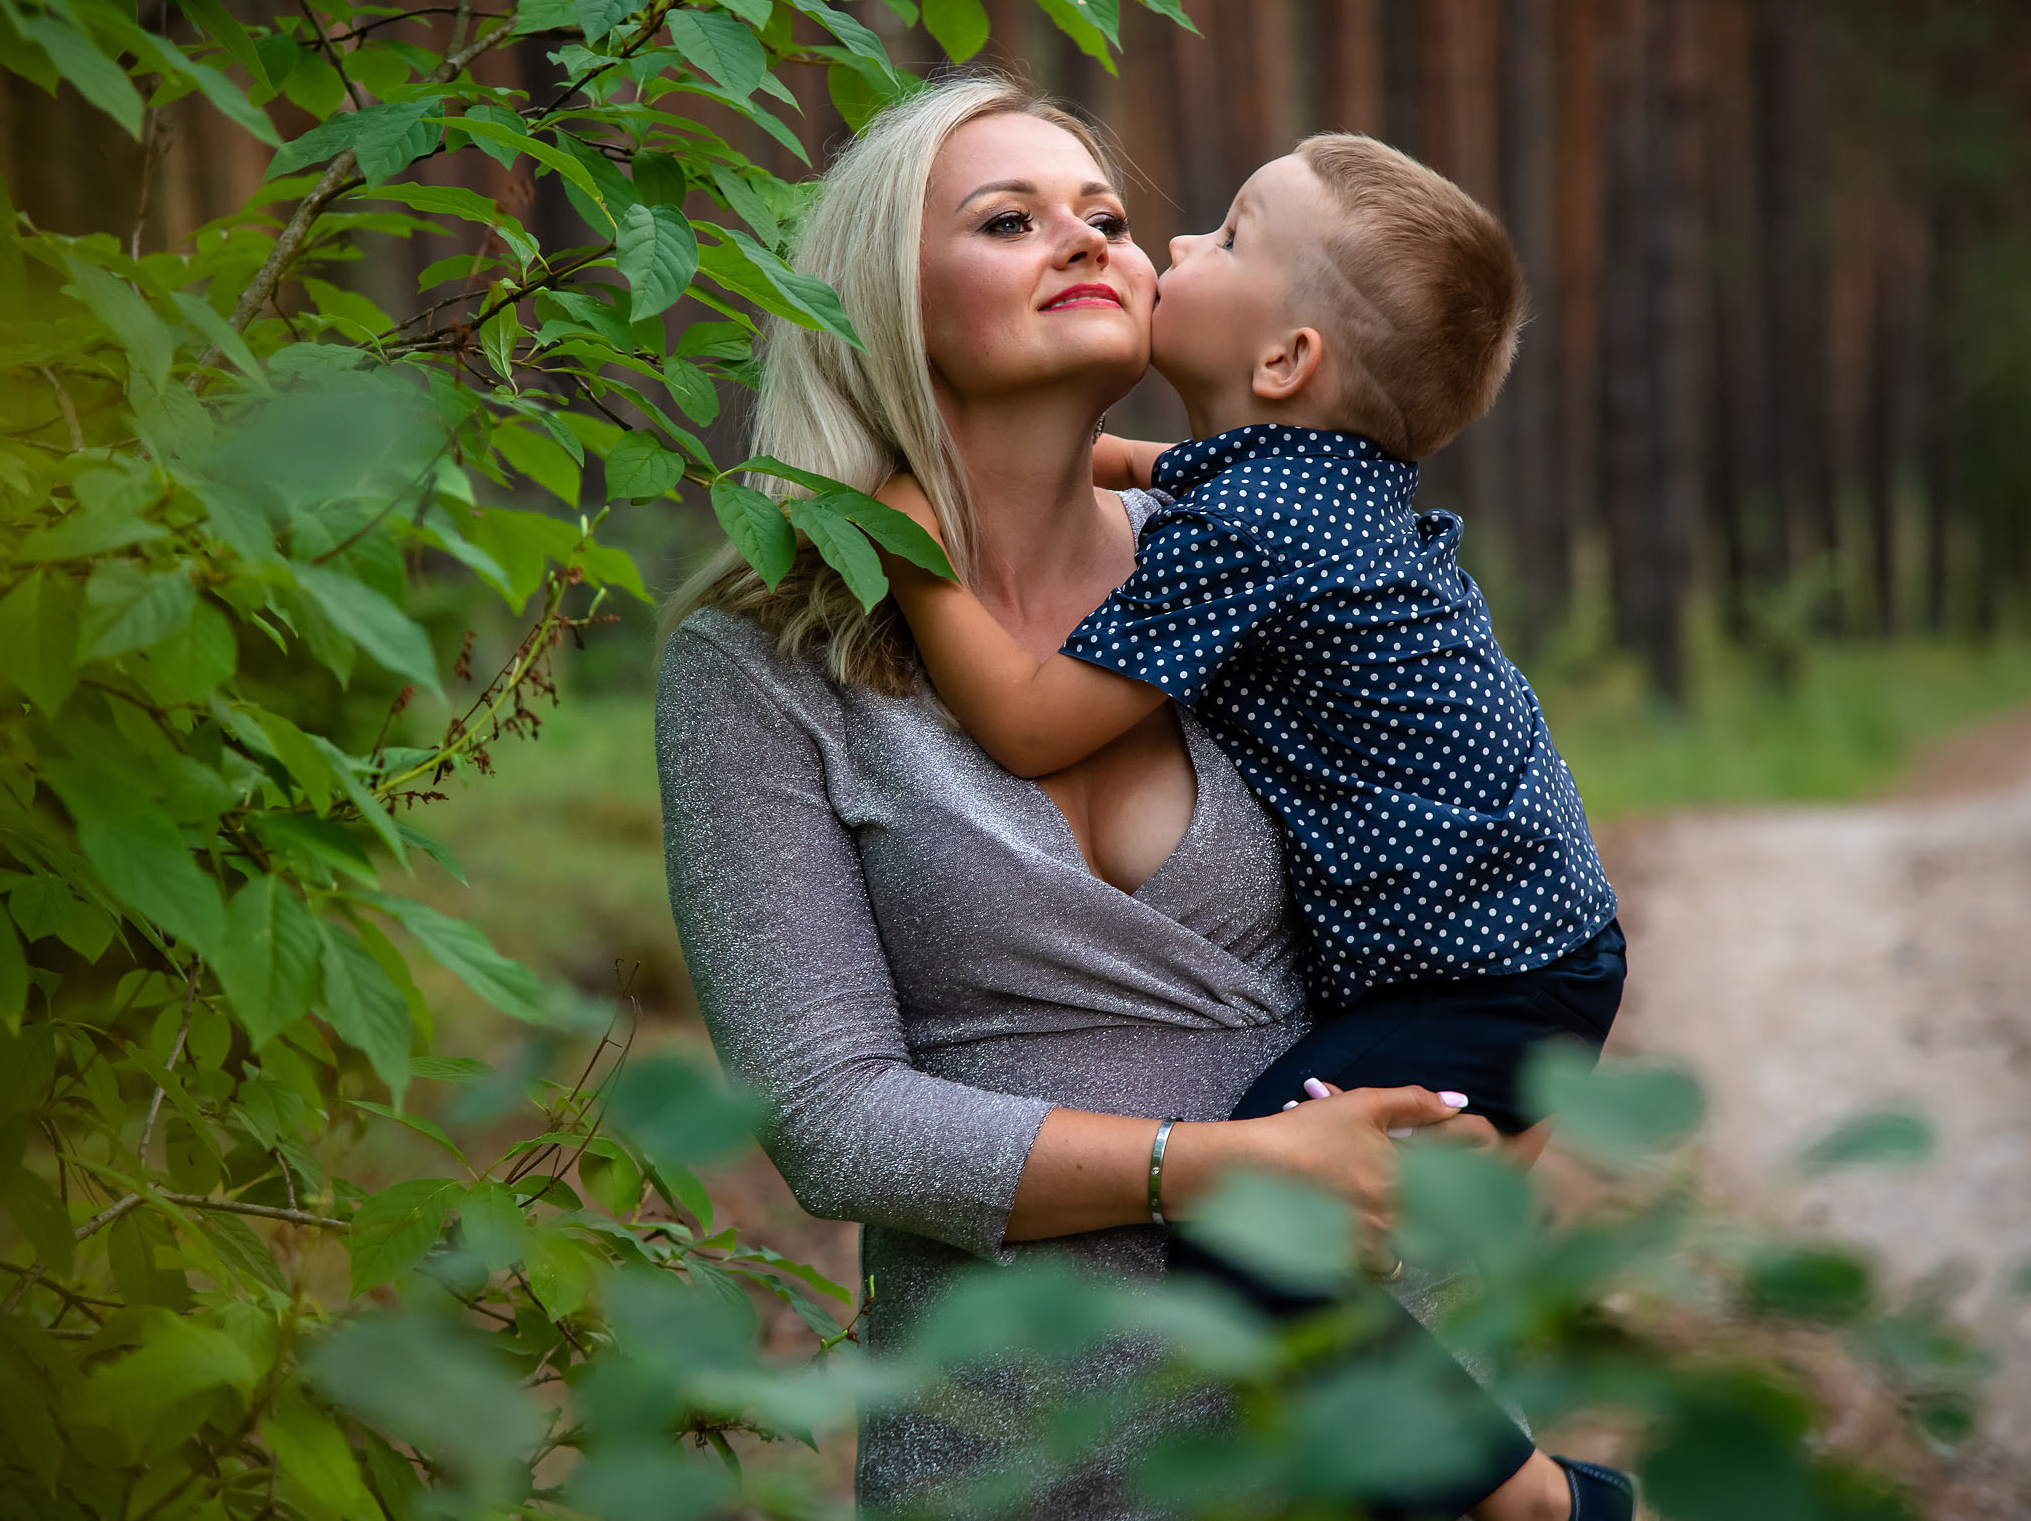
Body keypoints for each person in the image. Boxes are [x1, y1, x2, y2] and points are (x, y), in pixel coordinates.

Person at [656, 77, 1578, 1518]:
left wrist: (1500, 1144)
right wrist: (1220, 1168)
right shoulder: (759, 665)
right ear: (873, 297)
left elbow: (1491, 871)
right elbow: (830, 1120)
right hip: (1020, 1450)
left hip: (1348, 1444)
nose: (1090, 239)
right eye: (1009, 218)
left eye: (1109, 216)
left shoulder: (1260, 562)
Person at [874, 137, 1636, 1517]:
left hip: (1486, 973)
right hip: (1536, 944)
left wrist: (915, 550)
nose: (1167, 248)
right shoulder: (1294, 486)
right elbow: (1180, 469)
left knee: (1257, 1226)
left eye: (1223, 236)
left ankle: (1523, 1493)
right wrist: (1071, 458)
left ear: (1284, 361)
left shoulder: (1255, 530)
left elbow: (1035, 724)